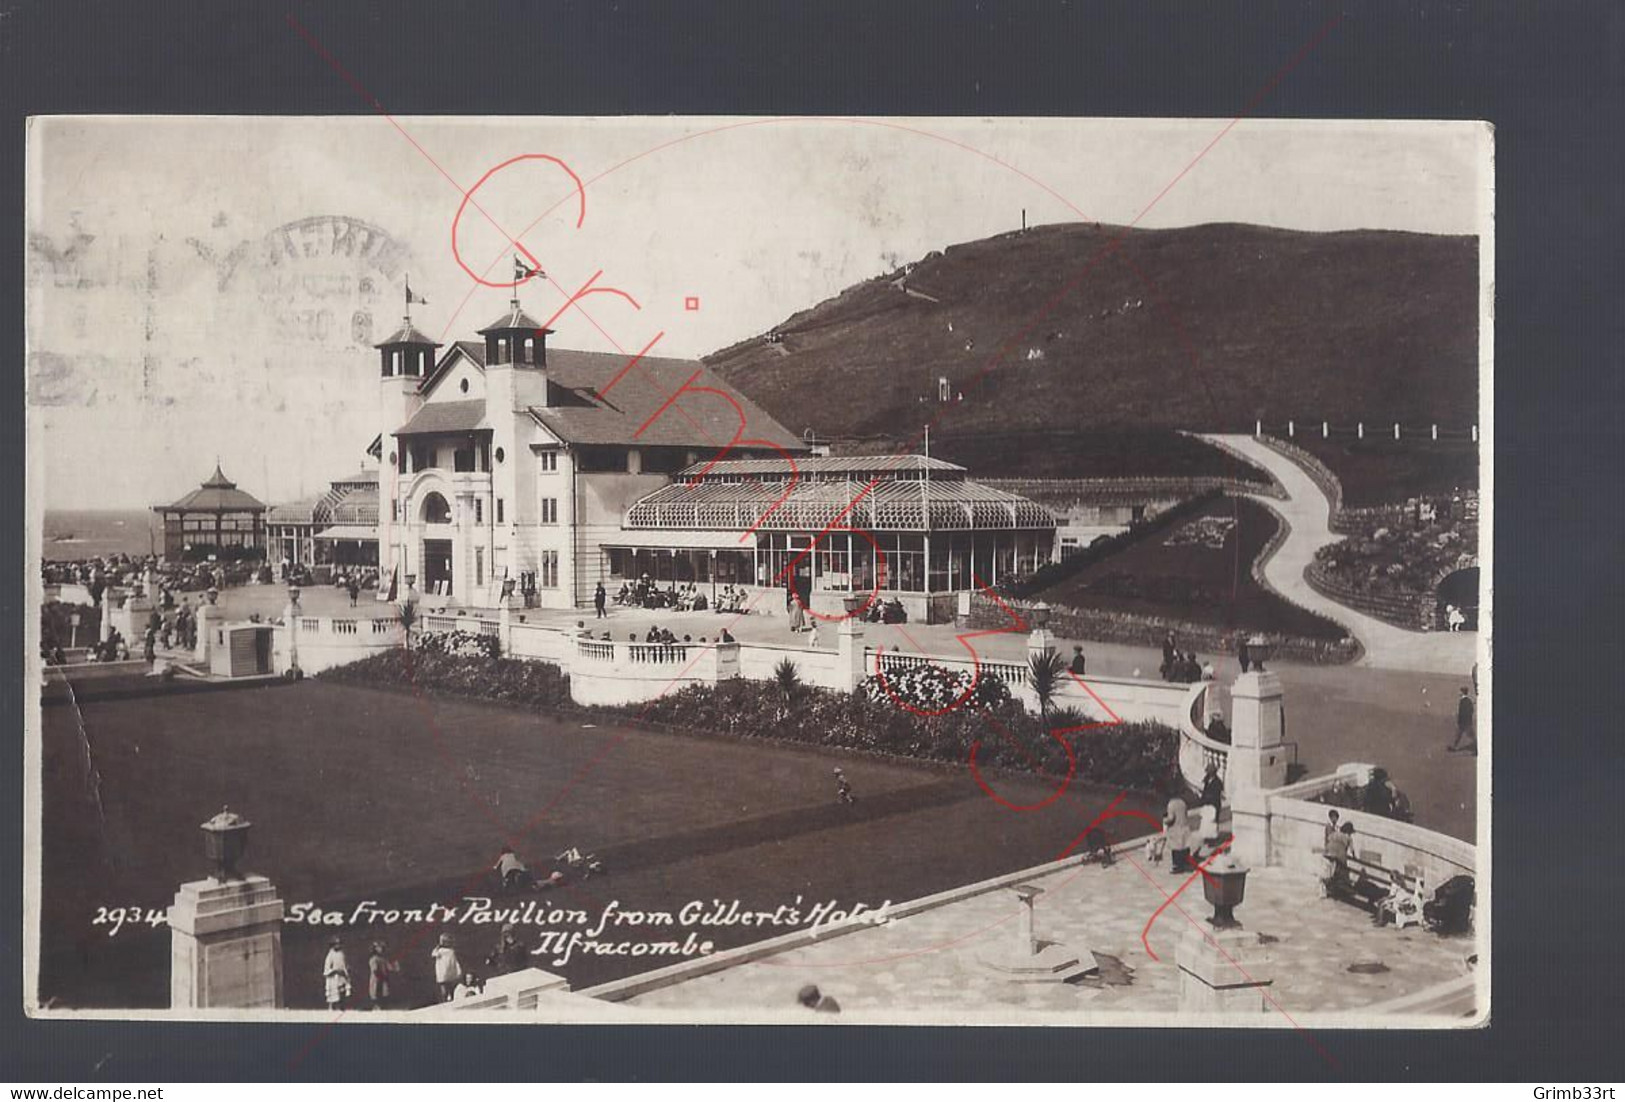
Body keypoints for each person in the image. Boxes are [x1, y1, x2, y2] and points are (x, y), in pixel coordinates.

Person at [1322, 820, 1353, 898]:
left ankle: (1327, 890)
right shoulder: (1347, 837)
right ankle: (1342, 889)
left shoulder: (1334, 834)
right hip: (1338, 857)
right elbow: (1351, 850)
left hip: (1328, 854)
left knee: (1328, 873)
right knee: (1341, 870)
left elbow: (1328, 840)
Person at [367, 940, 398, 1010]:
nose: (381, 949)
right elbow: (375, 970)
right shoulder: (373, 959)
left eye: (382, 947)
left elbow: (389, 967)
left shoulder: (383, 959)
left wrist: (395, 966)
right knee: (376, 996)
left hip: (383, 980)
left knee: (384, 995)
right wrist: (381, 976)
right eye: (379, 947)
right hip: (377, 981)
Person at [323, 936, 351, 1011]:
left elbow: (344, 965)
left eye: (339, 944)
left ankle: (341, 1007)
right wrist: (334, 971)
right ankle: (331, 1007)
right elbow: (327, 967)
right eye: (336, 944)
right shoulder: (330, 954)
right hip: (333, 978)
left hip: (341, 977)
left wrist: (346, 970)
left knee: (342, 992)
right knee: (333, 994)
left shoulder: (342, 954)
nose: (338, 945)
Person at [1164, 796, 1191, 873]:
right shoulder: (1183, 802)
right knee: (1184, 846)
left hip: (1175, 828)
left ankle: (1178, 866)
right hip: (1184, 826)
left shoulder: (1171, 804)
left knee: (1176, 848)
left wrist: (1165, 820)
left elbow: (1171, 818)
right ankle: (1186, 863)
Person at [431, 934, 461, 1002]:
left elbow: (433, 954)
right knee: (450, 988)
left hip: (443, 972)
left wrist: (437, 947)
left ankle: (445, 1000)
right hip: (450, 972)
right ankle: (450, 999)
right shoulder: (451, 951)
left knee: (444, 988)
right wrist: (458, 970)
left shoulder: (441, 951)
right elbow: (455, 961)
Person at [1449, 687, 1476, 754]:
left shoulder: (1464, 701)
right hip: (1465, 722)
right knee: (1458, 735)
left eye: (1460, 692)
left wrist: (1462, 720)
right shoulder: (1468, 701)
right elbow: (1471, 710)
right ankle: (1454, 747)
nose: (1459, 693)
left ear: (1462, 692)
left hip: (1464, 722)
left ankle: (1476, 749)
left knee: (1470, 736)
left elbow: (1464, 712)